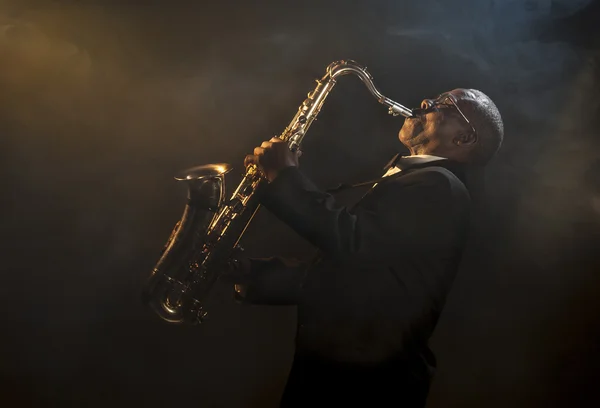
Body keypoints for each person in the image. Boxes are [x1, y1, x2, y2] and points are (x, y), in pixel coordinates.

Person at [227, 89, 504, 407]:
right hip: (346, 376)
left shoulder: (439, 186)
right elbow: (353, 278)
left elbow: (352, 240)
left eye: (445, 104)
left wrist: (285, 176)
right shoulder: (422, 182)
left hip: (364, 385)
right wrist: (252, 273)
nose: (426, 102)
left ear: (464, 137)